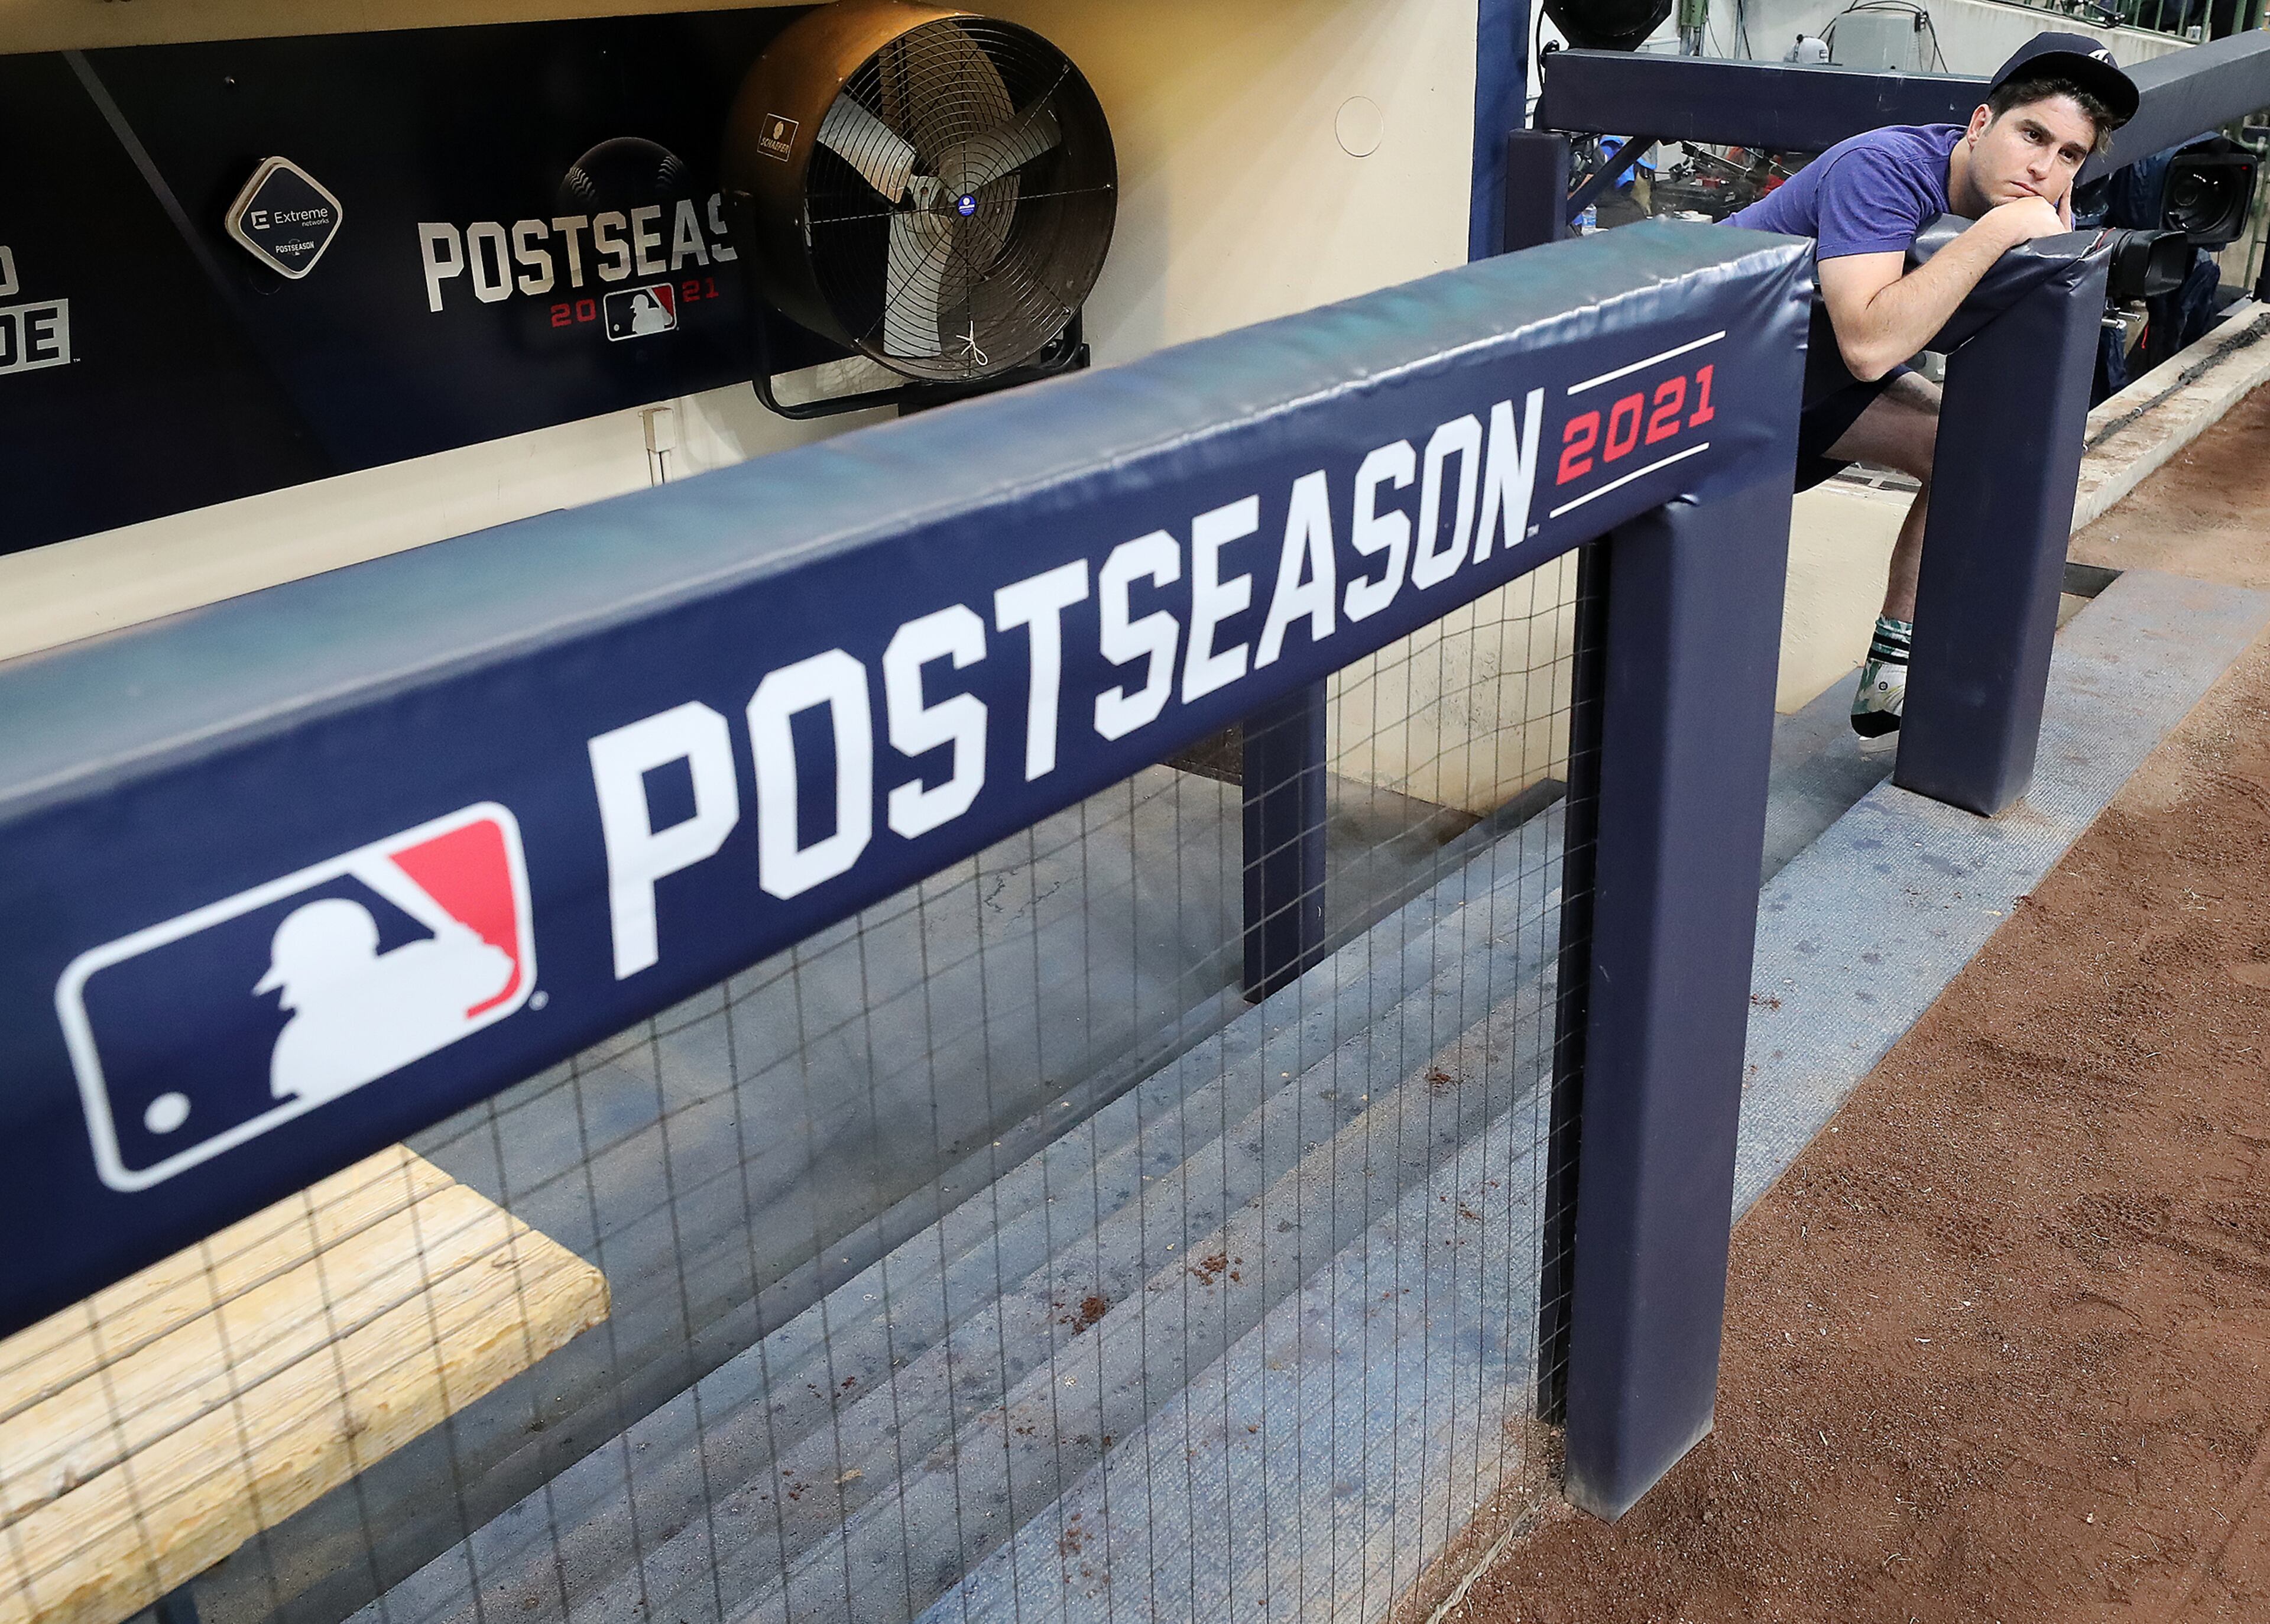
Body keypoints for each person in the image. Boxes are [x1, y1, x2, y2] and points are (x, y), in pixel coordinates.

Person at [1725, 33, 2137, 748]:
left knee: (1975, 449)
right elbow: (1869, 343)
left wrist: (2036, 229)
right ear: (1981, 125)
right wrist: (2007, 228)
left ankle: (1895, 663)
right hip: (1711, 383)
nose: (2042, 168)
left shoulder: (2047, 207)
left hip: (1799, 377)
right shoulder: (1881, 167)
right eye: (2031, 134)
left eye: (2068, 155)